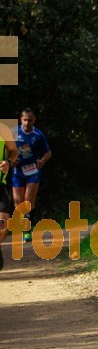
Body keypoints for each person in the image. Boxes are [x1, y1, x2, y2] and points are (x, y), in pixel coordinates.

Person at [11, 108, 52, 242]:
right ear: (20, 119)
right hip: (17, 171)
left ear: (34, 120)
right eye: (25, 119)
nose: (27, 122)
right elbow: (5, 150)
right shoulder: (14, 132)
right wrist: (11, 159)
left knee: (28, 200)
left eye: (30, 120)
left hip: (33, 170)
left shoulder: (38, 134)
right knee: (18, 202)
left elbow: (48, 153)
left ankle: (27, 230)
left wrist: (42, 161)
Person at [0, 123, 18, 271]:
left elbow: (13, 151)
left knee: (2, 225)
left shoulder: (3, 129)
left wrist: (8, 162)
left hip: (0, 185)